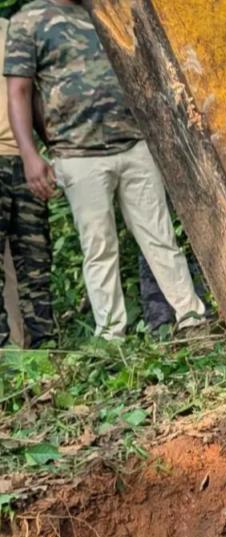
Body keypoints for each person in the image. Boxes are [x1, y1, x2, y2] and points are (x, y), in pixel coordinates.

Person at [4, 0, 207, 340]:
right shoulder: (30, 20)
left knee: (160, 237)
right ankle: (112, 335)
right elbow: (19, 91)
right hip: (78, 153)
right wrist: (30, 153)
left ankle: (191, 318)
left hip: (135, 143)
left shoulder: (108, 10)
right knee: (99, 247)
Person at [0, 13, 52, 348]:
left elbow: (35, 93)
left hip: (24, 159)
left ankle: (45, 348)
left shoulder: (15, 29)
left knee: (37, 260)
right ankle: (5, 354)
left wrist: (52, 149)